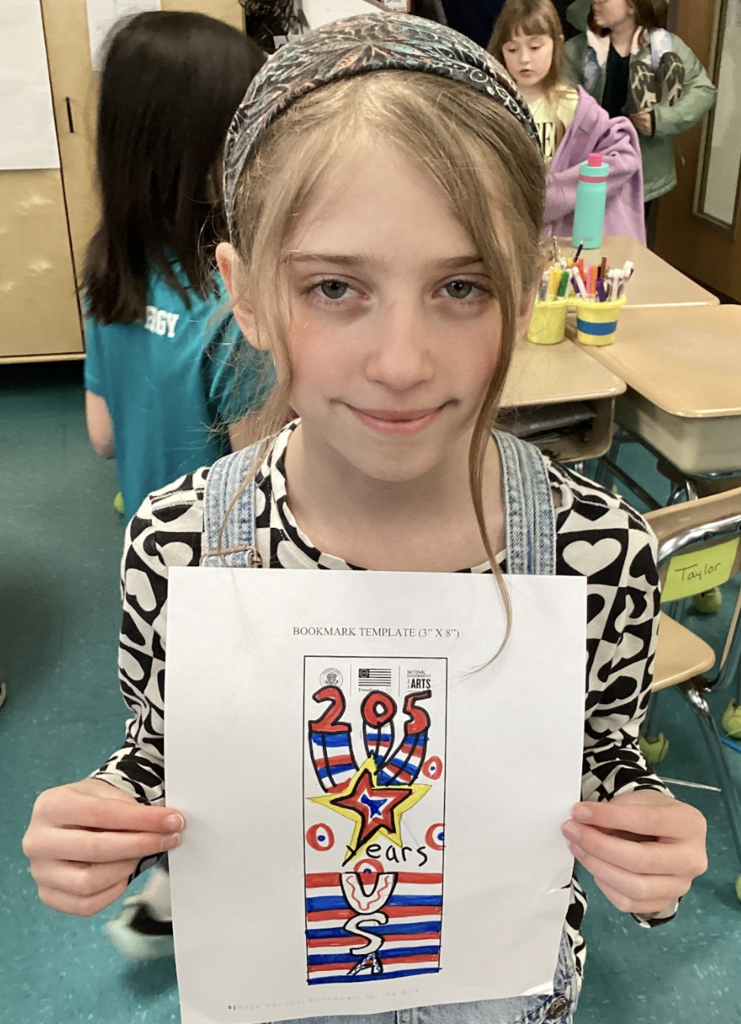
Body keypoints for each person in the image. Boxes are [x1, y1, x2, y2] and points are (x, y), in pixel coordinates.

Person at [24, 14, 707, 1022]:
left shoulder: (593, 549)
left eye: (462, 286)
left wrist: (643, 834)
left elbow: (598, 751)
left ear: (524, 294)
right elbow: (163, 751)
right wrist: (108, 819)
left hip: (498, 986)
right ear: (246, 293)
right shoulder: (181, 544)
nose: (401, 361)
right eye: (336, 286)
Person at [83, 11, 273, 521]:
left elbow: (103, 437)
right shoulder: (237, 310)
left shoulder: (110, 267)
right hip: (223, 565)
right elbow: (263, 486)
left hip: (146, 549)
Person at [490, 0, 645, 242]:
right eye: (512, 49)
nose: (524, 59)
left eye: (535, 47)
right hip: (503, 230)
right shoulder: (490, 104)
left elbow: (623, 155)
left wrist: (562, 192)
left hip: (558, 239)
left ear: (557, 44)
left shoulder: (574, 106)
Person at [563, 0, 716, 217]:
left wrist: (660, 119)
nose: (596, 1)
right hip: (587, 168)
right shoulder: (577, 49)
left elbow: (703, 90)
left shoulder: (663, 46)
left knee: (630, 245)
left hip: (644, 172)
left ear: (633, 6)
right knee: (585, 239)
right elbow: (559, 100)